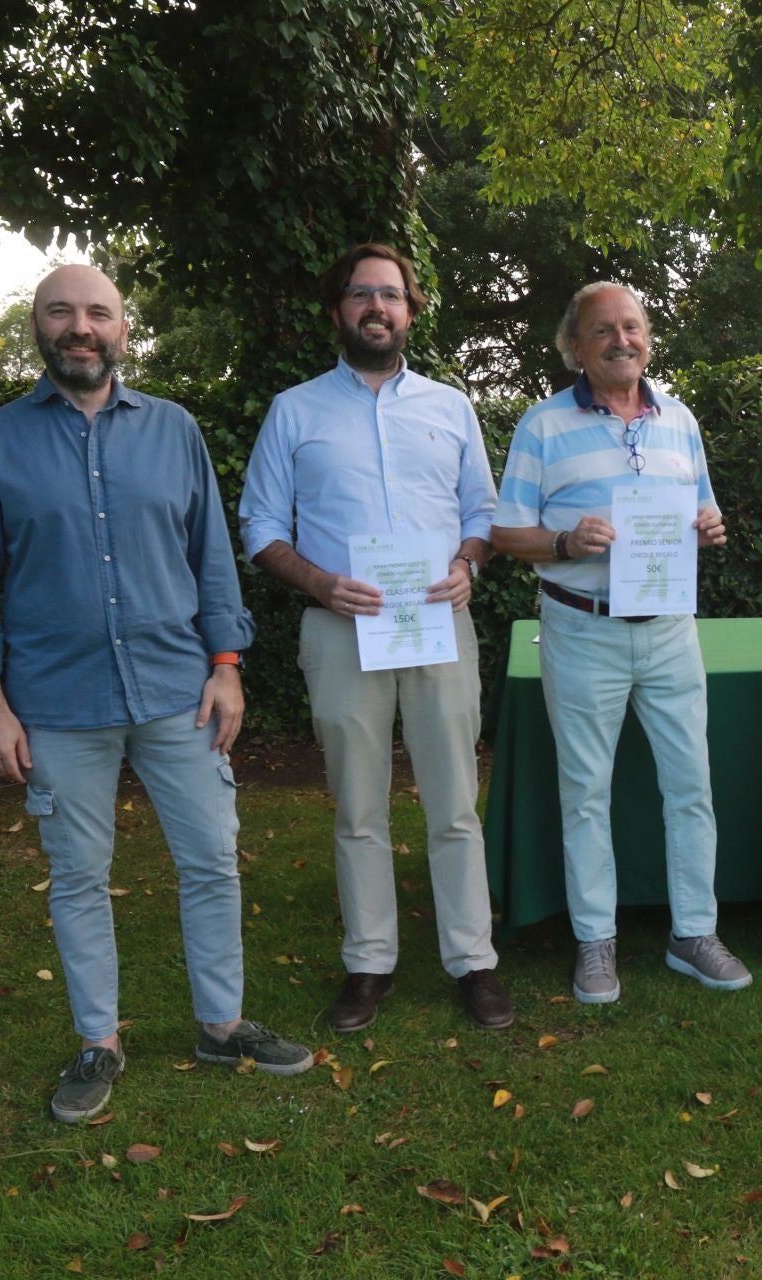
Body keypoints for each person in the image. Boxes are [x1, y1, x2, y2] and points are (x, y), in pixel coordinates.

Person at [0, 265, 312, 1123]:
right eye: (62, 312)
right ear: (36, 325)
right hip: (55, 701)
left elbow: (211, 559)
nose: (81, 327)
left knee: (212, 861)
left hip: (179, 688)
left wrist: (227, 665)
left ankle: (221, 1026)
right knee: (78, 877)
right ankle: (98, 1042)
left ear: (122, 328)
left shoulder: (174, 430)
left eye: (97, 313)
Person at [238, 243, 512, 1032]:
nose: (377, 308)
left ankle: (474, 961)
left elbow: (481, 513)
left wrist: (469, 561)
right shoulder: (295, 410)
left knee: (455, 803)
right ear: (338, 312)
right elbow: (259, 524)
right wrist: (320, 582)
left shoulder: (450, 407)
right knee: (358, 806)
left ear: (410, 310)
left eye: (390, 295)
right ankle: (369, 963)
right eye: (361, 295)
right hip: (339, 627)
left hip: (437, 623)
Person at [489, 281, 752, 1004]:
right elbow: (505, 532)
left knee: (690, 786)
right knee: (584, 795)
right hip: (580, 628)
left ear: (648, 339)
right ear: (577, 346)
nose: (621, 340)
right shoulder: (542, 426)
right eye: (603, 330)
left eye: (632, 327)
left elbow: (705, 510)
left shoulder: (681, 421)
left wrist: (711, 528)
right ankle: (595, 942)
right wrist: (566, 539)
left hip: (669, 631)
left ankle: (692, 933)